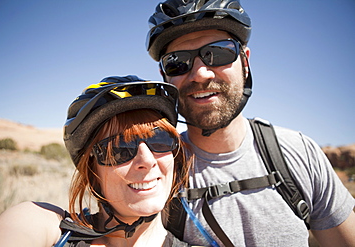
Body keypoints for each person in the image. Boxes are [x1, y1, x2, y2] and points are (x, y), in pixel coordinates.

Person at [146, 1, 355, 246]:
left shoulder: (298, 153)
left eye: (218, 53)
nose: (201, 73)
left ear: (245, 62)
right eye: (177, 62)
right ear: (165, 77)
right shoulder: (155, 172)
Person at [0, 75, 192, 247]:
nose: (147, 160)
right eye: (119, 148)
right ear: (92, 170)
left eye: (161, 140)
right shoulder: (47, 228)